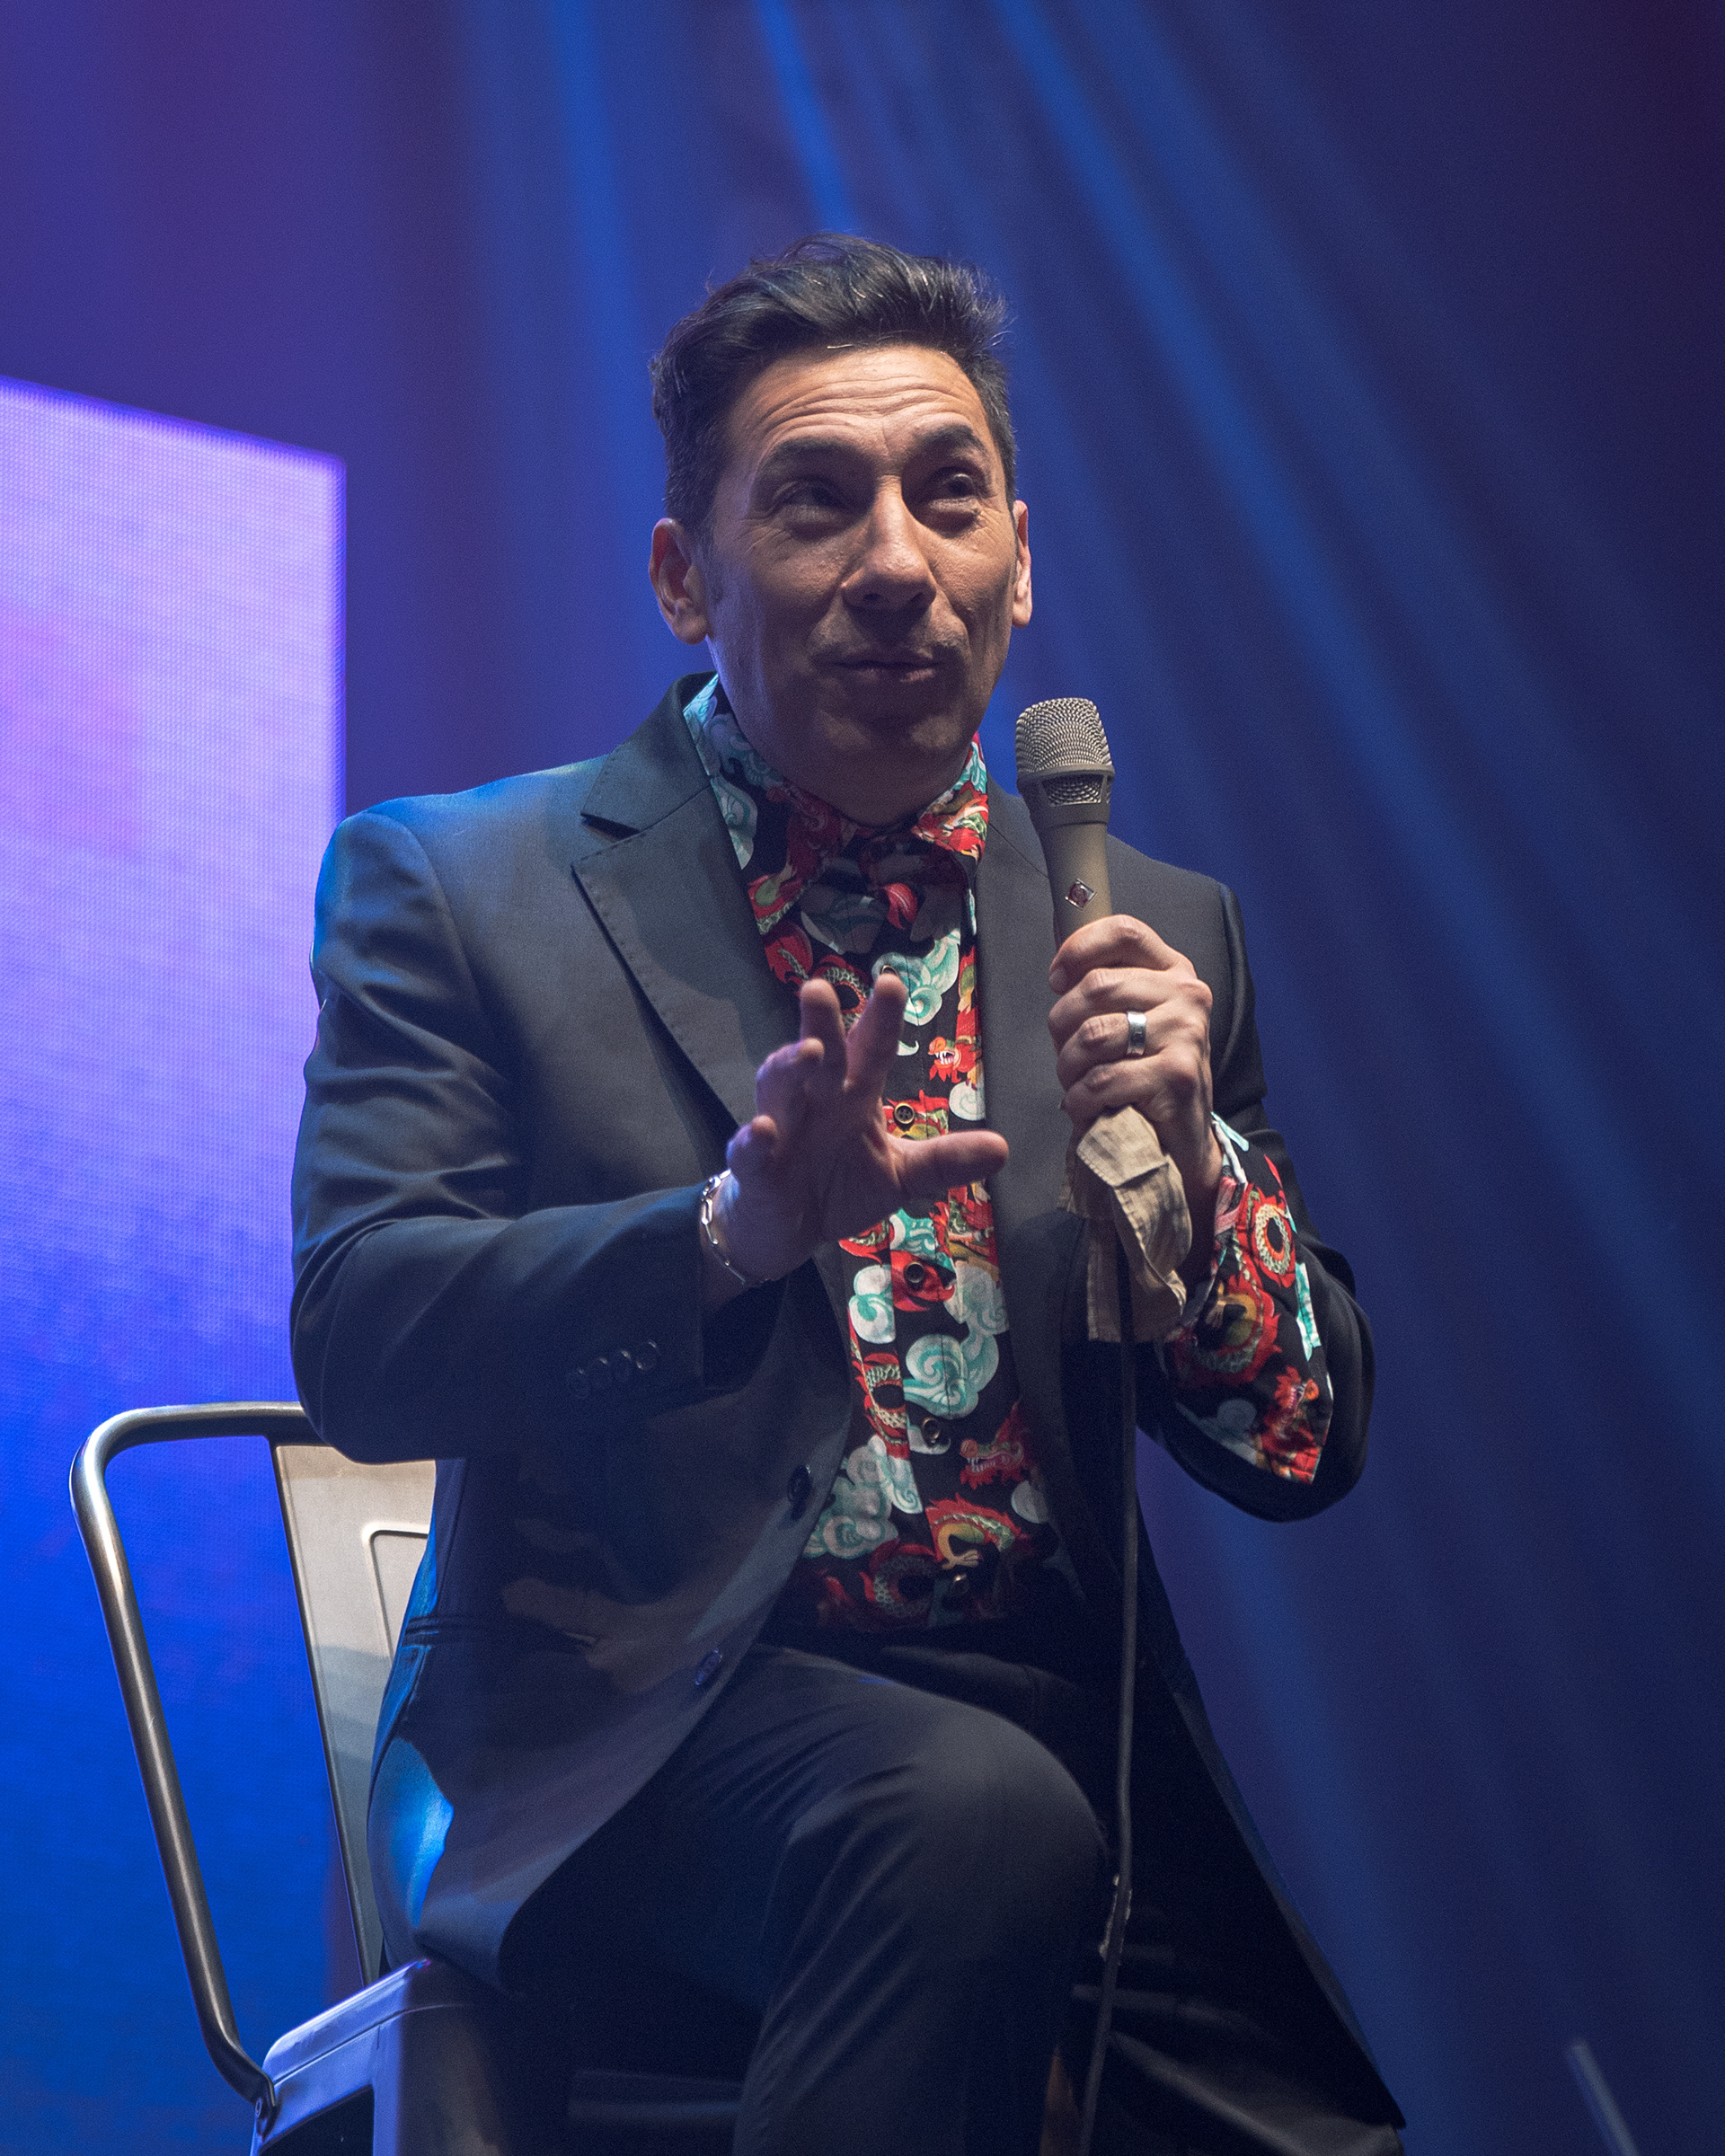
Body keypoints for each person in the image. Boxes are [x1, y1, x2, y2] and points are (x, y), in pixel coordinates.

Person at [292, 234, 1403, 2155]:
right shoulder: (461, 885)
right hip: (627, 1730)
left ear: (1019, 562)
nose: (897, 560)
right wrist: (725, 1242)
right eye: (816, 500)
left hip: (1064, 1739)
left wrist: (1201, 1181)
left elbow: (1302, 1450)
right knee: (963, 1820)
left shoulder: (1150, 930)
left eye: (947, 497)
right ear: (682, 574)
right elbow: (366, 1337)